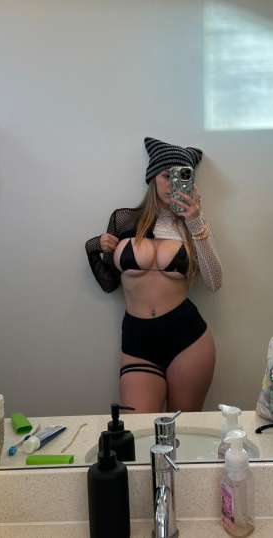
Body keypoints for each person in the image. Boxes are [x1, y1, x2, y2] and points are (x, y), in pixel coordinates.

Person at [85, 137, 222, 412]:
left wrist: (195, 220)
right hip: (137, 339)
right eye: (165, 175)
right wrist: (93, 247)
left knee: (184, 428)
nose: (172, 183)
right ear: (152, 178)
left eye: (181, 176)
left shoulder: (193, 226)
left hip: (188, 339)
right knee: (137, 428)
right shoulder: (124, 220)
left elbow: (214, 282)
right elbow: (109, 284)